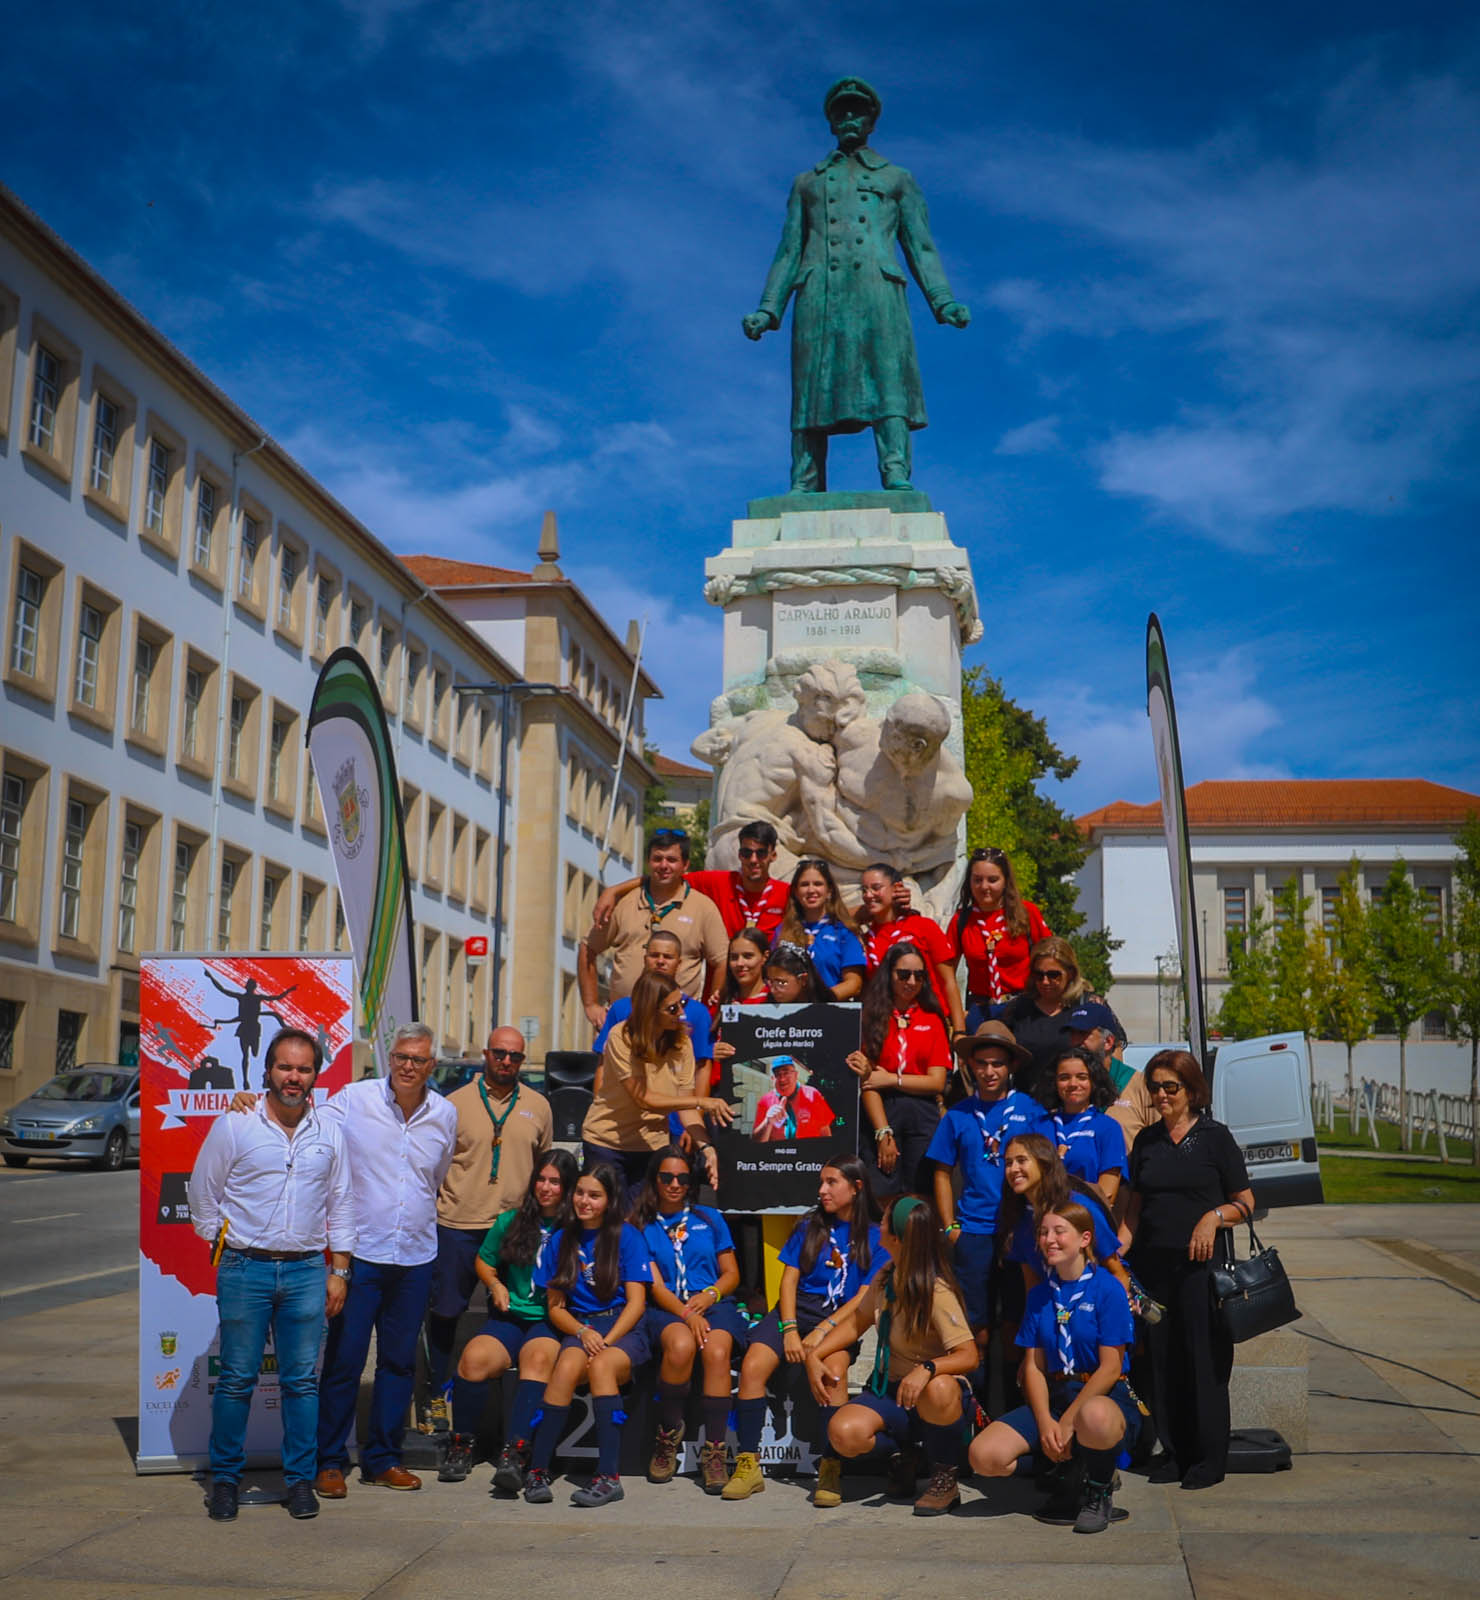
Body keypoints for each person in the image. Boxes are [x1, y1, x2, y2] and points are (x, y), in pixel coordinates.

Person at [742, 75, 970, 493]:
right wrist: (768, 308)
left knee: (887, 381)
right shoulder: (807, 182)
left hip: (876, 290)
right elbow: (789, 250)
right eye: (841, 112)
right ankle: (805, 480)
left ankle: (895, 470)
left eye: (857, 112)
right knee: (811, 388)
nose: (849, 118)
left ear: (871, 121)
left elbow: (920, 246)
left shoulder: (896, 178)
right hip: (819, 294)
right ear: (831, 122)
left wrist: (943, 301)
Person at [190, 1028, 355, 1522]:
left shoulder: (329, 1132)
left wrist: (340, 1270)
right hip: (246, 1268)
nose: (293, 1077)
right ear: (268, 1070)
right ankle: (224, 1481)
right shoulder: (235, 1124)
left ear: (314, 1076)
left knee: (302, 1383)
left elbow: (342, 1204)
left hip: (307, 1269)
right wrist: (225, 1240)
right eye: (285, 1067)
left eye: (304, 1069)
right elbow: (203, 1193)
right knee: (238, 1380)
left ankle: (299, 1481)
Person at [310, 1023, 457, 1496]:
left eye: (418, 1060)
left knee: (397, 1365)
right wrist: (248, 1104)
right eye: (401, 1057)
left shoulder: (445, 1114)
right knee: (344, 1361)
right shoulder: (354, 1100)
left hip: (415, 1256)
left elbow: (434, 1176)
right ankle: (331, 1460)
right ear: (389, 1059)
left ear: (432, 1065)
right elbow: (300, 1117)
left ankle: (383, 1459)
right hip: (363, 1255)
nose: (407, 1067)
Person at [722, 1155, 888, 1506]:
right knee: (752, 1365)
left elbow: (862, 1297)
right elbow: (788, 1281)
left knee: (836, 1373)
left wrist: (823, 1332)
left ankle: (830, 1467)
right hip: (797, 1309)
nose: (822, 1190)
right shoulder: (809, 1225)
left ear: (857, 1188)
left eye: (832, 1182)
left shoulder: (877, 1235)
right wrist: (791, 1329)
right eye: (821, 1182)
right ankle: (748, 1464)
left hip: (841, 1316)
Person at [1123, 1050, 1254, 1491]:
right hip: (1152, 1269)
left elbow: (1246, 1202)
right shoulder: (1146, 1142)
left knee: (1204, 1359)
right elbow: (1134, 1210)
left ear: (1192, 1090)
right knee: (1161, 1362)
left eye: (1170, 1087)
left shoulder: (1216, 1138)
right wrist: (1115, 1254)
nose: (1161, 1095)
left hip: (1202, 1271)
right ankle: (1175, 1452)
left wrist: (1212, 1218)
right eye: (1154, 1087)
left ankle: (1207, 1457)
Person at [969, 1203, 1142, 1534]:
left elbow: (1110, 1367)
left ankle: (1099, 1489)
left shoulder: (1107, 1289)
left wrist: (1067, 1421)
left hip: (1101, 1393)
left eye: (1059, 1231)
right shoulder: (1039, 1296)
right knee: (984, 1456)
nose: (1049, 1239)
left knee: (1094, 1418)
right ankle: (1063, 1468)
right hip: (1057, 1393)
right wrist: (1047, 1419)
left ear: (1084, 1238)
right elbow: (1033, 1367)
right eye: (1044, 1232)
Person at [807, 1195, 979, 1515]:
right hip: (893, 1391)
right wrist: (815, 1354)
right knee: (844, 1433)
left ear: (897, 1237)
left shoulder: (935, 1290)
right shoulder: (888, 1273)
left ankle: (944, 1477)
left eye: (884, 1221)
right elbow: (857, 1322)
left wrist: (927, 1368)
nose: (878, 1224)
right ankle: (903, 1456)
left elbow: (969, 1355)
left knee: (938, 1388)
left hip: (932, 1396)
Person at [425, 1025, 553, 1429]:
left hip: (516, 1226)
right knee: (447, 1311)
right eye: (500, 1053)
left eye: (515, 1056)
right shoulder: (454, 1103)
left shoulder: (539, 1105)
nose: (507, 1061)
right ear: (485, 1053)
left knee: (518, 1309)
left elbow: (545, 1166)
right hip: (459, 1220)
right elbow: (435, 1164)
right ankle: (436, 1395)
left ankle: (506, 1401)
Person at [439, 1149, 577, 1488]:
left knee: (538, 1360)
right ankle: (462, 1445)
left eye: (555, 1182)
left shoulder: (577, 1228)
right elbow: (484, 1261)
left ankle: (515, 1452)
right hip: (511, 1317)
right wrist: (495, 1284)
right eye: (541, 1179)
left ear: (568, 1187)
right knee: (472, 1359)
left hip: (550, 1320)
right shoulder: (511, 1221)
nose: (545, 1187)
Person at [523, 1164, 653, 1507]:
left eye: (594, 1195)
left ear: (609, 1200)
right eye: (580, 1193)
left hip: (622, 1328)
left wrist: (606, 1342)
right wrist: (583, 1332)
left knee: (601, 1367)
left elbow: (637, 1303)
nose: (584, 1201)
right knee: (565, 1369)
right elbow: (555, 1307)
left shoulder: (627, 1236)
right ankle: (537, 1469)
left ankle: (608, 1477)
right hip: (582, 1327)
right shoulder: (562, 1238)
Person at [927, 1022, 1054, 1374]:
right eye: (981, 1063)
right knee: (975, 1329)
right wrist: (950, 1225)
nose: (988, 1071)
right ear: (970, 1066)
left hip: (1021, 1229)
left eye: (997, 1063)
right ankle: (977, 1410)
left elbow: (1047, 1167)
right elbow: (940, 1172)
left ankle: (1015, 1411)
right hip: (973, 1232)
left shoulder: (1031, 1110)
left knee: (1017, 1325)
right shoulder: (957, 1115)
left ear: (1010, 1065)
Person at [630, 1146, 749, 1492]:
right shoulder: (639, 1225)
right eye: (667, 1177)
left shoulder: (710, 1217)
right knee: (681, 1344)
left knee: (715, 1351)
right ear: (654, 1180)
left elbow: (730, 1274)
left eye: (683, 1178)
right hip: (666, 1307)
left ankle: (714, 1451)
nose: (675, 1184)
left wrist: (709, 1296)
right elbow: (652, 1285)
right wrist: (686, 1313)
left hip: (710, 1301)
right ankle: (668, 1435)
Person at [581, 970, 731, 1196]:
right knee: (611, 1225)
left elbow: (686, 1108)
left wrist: (707, 1148)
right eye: (672, 1009)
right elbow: (644, 1099)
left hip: (652, 1146)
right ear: (650, 1010)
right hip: (607, 1143)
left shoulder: (682, 1043)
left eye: (681, 1004)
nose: (681, 1014)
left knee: (642, 1223)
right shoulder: (621, 1037)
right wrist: (704, 1101)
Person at [579, 830, 728, 1027]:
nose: (664, 866)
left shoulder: (703, 907)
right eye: (657, 859)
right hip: (624, 1020)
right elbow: (587, 948)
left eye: (671, 860)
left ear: (685, 865)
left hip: (677, 1024)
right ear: (648, 862)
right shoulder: (624, 902)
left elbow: (721, 961)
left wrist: (711, 1014)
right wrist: (591, 1005)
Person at [847, 942, 951, 1200]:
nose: (911, 981)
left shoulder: (933, 1019)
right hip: (882, 1109)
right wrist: (883, 1133)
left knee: (920, 1194)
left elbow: (937, 1082)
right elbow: (868, 1084)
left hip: (922, 1114)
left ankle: (916, 1241)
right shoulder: (870, 1017)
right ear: (889, 975)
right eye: (903, 974)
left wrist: (890, 1078)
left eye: (919, 975)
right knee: (881, 1192)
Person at [594, 820, 791, 941]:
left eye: (761, 853)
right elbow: (666, 877)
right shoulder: (718, 882)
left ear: (773, 855)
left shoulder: (787, 893)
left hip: (767, 993)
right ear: (739, 855)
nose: (753, 860)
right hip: (721, 992)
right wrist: (613, 891)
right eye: (747, 853)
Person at [594, 930, 716, 1104]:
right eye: (654, 955)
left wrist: (697, 1112)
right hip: (622, 1115)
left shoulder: (697, 1013)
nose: (660, 961)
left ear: (679, 963)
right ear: (645, 960)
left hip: (676, 1118)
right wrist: (599, 1103)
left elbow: (702, 1068)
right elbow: (603, 1065)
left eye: (668, 957)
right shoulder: (620, 1010)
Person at [945, 847, 1052, 1022]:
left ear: (1005, 881)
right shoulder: (961, 920)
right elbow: (945, 972)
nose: (984, 887)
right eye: (977, 880)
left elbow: (1053, 957)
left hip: (1024, 1007)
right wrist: (954, 1014)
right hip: (981, 1009)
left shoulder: (1026, 913)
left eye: (992, 880)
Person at [857, 862, 965, 1035]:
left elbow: (949, 981)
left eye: (876, 888)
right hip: (886, 1029)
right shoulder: (865, 938)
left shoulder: (923, 926)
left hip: (929, 1025)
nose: (868, 895)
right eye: (864, 890)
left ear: (897, 888)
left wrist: (960, 1031)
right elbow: (836, 916)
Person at [1002, 937, 1109, 1094]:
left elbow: (1112, 1054)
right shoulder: (1018, 1008)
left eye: (1054, 975)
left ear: (1071, 973)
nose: (1045, 981)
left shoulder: (1090, 1005)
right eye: (1039, 975)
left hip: (1074, 1106)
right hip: (1027, 1107)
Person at [774, 858, 866, 1000]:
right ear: (796, 892)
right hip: (790, 1015)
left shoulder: (844, 932)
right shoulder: (782, 931)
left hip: (830, 1013)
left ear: (829, 890)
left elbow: (854, 984)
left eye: (818, 884)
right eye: (804, 885)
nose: (811, 890)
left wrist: (819, 1002)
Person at [1046, 1046, 1128, 1203]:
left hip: (1088, 1219)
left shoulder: (1108, 1128)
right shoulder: (1039, 1125)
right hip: (1045, 1221)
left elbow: (1107, 1192)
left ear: (1094, 1082)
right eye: (1064, 1077)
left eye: (1082, 1077)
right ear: (1054, 1082)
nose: (1073, 1084)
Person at [1069, 1001, 1155, 1149]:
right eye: (1072, 1033)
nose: (1076, 1041)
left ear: (1108, 1042)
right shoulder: (1065, 1087)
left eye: (1083, 1034)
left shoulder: (1140, 1086)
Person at [751, 1055, 839, 1142]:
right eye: (777, 1074)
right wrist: (767, 1122)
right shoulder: (765, 1100)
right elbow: (756, 1142)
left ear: (796, 1075)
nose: (782, 1079)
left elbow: (825, 1132)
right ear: (772, 1078)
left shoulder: (813, 1095)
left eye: (786, 1073)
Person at [763, 941, 831, 1004]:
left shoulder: (827, 1007)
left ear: (803, 979)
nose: (772, 990)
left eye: (781, 983)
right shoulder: (766, 1008)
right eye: (771, 982)